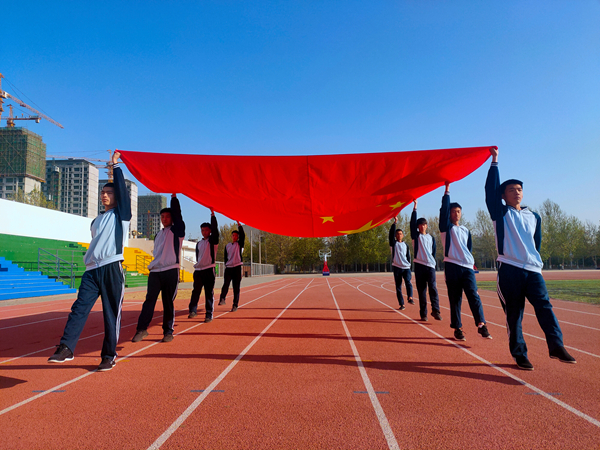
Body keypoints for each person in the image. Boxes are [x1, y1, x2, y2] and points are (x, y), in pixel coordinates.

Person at [485, 147, 576, 370]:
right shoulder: (501, 213)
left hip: (533, 270)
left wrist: (533, 261)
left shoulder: (534, 216)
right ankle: (519, 354)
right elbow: (489, 191)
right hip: (509, 269)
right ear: (503, 195)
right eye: (511, 190)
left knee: (545, 307)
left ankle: (556, 346)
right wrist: (494, 161)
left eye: (519, 189)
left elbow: (536, 243)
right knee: (514, 315)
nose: (516, 192)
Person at [48, 151, 131, 372]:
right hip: (92, 271)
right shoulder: (96, 220)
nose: (104, 195)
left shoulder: (121, 215)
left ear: (117, 197)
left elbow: (122, 191)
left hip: (112, 268)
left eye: (109, 192)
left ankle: (108, 356)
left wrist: (115, 167)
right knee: (79, 309)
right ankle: (66, 347)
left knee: (110, 315)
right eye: (102, 192)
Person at [440, 182, 491, 341]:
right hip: (452, 266)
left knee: (474, 296)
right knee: (455, 299)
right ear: (449, 214)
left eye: (459, 211)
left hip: (467, 268)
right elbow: (443, 212)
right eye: (453, 211)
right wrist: (447, 191)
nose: (456, 213)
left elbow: (468, 248)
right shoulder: (446, 228)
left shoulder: (466, 230)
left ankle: (481, 325)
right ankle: (457, 328)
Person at [132, 194, 185, 343]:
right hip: (155, 272)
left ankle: (168, 331)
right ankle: (141, 329)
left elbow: (178, 216)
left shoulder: (177, 231)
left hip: (170, 270)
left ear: (172, 218)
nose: (164, 219)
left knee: (168, 302)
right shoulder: (158, 235)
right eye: (162, 216)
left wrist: (173, 197)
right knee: (149, 301)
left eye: (168, 216)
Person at [410, 200, 441, 321]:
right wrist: (415, 208)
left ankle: (436, 310)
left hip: (430, 266)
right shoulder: (416, 237)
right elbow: (412, 224)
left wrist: (431, 261)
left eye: (424, 224)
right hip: (419, 266)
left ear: (426, 225)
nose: (423, 226)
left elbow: (433, 251)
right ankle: (423, 314)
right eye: (420, 225)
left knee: (433, 288)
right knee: (422, 291)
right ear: (418, 227)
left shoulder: (431, 238)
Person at [188, 209, 219, 323]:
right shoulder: (199, 243)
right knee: (195, 291)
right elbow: (198, 256)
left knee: (208, 292)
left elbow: (216, 230)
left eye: (206, 230)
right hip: (198, 271)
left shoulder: (213, 241)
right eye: (202, 230)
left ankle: (209, 314)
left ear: (210, 231)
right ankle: (192, 310)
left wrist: (212, 215)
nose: (204, 232)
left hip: (209, 270)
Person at [218, 222, 245, 312]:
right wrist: (227, 265)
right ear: (231, 236)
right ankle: (222, 298)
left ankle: (235, 305)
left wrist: (239, 225)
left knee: (236, 287)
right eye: (233, 235)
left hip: (237, 267)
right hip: (229, 268)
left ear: (238, 237)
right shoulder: (227, 246)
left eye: (236, 236)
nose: (234, 237)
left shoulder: (240, 245)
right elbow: (225, 257)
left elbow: (243, 235)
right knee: (226, 283)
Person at [389, 216, 413, 310]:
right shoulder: (393, 244)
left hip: (406, 267)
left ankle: (410, 297)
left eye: (400, 234)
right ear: (395, 236)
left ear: (403, 235)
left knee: (408, 282)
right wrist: (395, 223)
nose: (399, 235)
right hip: (397, 267)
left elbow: (408, 256)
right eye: (397, 234)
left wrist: (409, 265)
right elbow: (390, 235)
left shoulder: (406, 245)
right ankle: (402, 304)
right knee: (398, 286)